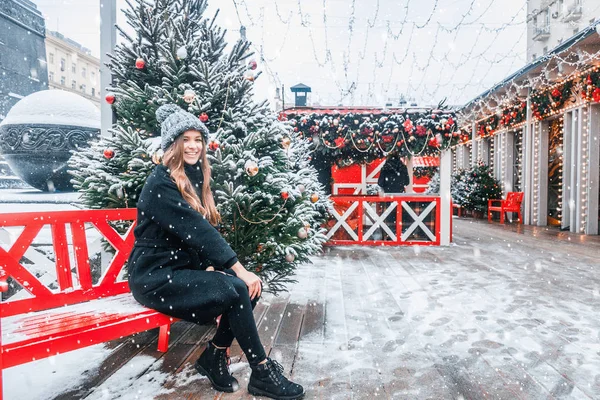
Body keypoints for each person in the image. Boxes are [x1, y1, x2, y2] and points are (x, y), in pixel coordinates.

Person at [127, 104, 304, 400]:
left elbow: (195, 236)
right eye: (186, 139)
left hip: (179, 270)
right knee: (239, 285)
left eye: (198, 139)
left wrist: (214, 267)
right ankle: (261, 371)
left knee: (249, 288)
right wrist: (236, 267)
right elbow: (197, 229)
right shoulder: (160, 183)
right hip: (154, 276)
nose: (194, 146)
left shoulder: (194, 177)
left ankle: (215, 355)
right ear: (173, 144)